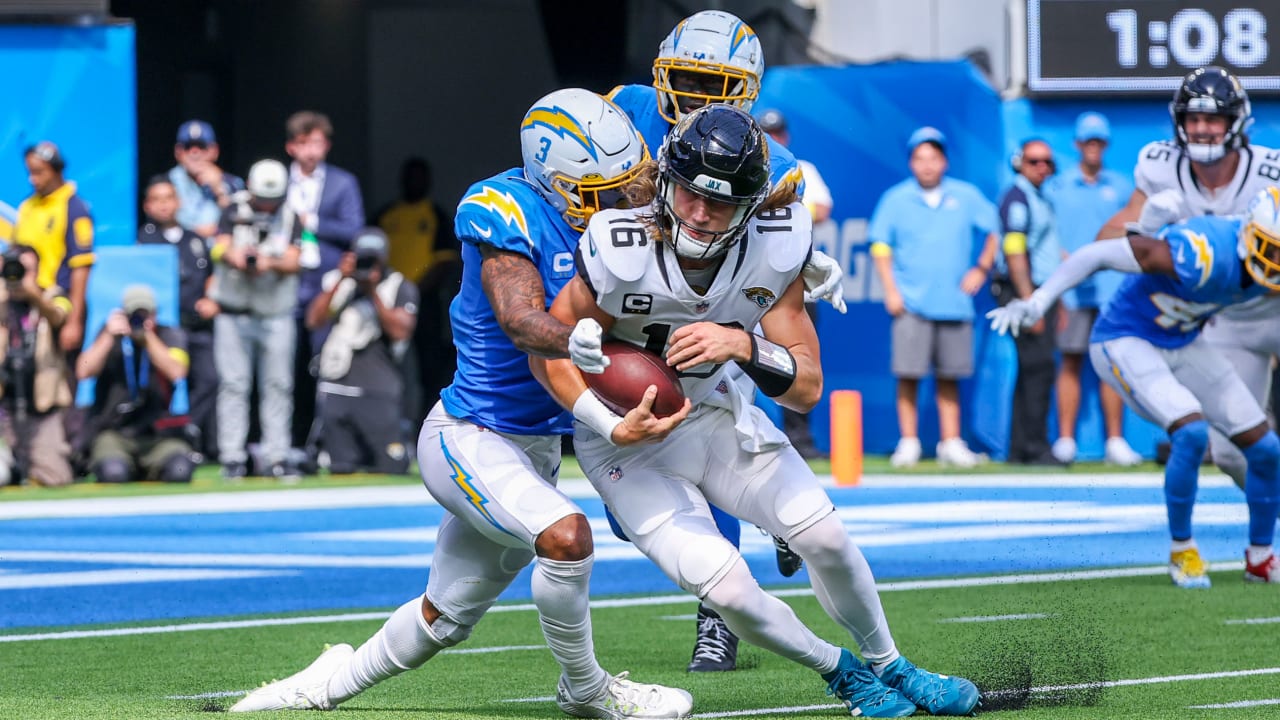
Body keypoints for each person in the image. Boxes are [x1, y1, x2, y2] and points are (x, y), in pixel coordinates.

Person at [230, 89, 692, 718]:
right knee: (565, 537)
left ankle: (320, 687)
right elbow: (521, 320)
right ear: (554, 180)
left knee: (441, 620)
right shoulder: (504, 208)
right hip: (471, 434)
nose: (618, 202)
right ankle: (587, 692)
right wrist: (583, 344)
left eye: (624, 184)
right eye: (600, 191)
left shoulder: (616, 207)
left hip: (534, 448)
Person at [533, 104, 979, 719]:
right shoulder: (618, 244)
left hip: (715, 408)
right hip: (624, 449)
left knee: (825, 537)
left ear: (751, 205)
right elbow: (547, 352)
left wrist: (743, 343)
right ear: (666, 180)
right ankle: (843, 675)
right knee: (730, 588)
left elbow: (807, 388)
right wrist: (607, 420)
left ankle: (890, 664)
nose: (698, 212)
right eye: (689, 193)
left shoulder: (775, 244)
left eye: (720, 202)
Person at [606, 8, 847, 669]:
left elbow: (766, 246)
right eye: (684, 79)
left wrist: (799, 253)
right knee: (628, 516)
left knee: (731, 431)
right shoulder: (624, 110)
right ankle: (771, 518)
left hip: (713, 308)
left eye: (712, 86)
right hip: (636, 308)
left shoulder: (778, 166)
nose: (693, 98)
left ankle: (719, 614)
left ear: (744, 93)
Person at [988, 186, 1280, 586]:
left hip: (1183, 337)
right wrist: (1038, 301)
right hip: (1125, 338)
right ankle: (1183, 550)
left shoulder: (1257, 261)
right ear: (1251, 236)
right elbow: (1097, 255)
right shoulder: (1204, 251)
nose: (1276, 260)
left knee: (1265, 449)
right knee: (1192, 433)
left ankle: (1261, 557)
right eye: (1272, 248)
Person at [1099, 66, 1280, 493]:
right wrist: (1145, 227)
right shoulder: (1161, 170)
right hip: (1230, 322)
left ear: (1236, 123)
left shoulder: (1269, 171)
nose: (1201, 130)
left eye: (1212, 119)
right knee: (1234, 452)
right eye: (1193, 119)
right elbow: (1108, 236)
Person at [870, 127, 998, 469]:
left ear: (944, 162)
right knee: (908, 375)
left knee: (949, 377)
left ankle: (951, 442)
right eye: (920, 158)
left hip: (954, 304)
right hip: (910, 303)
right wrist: (891, 290)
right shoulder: (895, 199)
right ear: (912, 163)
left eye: (933, 158)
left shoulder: (966, 196)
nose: (927, 165)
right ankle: (909, 442)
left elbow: (994, 230)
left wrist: (981, 269)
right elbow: (880, 246)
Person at [1044, 112, 1142, 466]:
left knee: (1112, 364)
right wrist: (1062, 257)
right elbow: (1046, 233)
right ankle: (1066, 440)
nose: (1093, 148)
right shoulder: (1058, 187)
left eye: (1099, 142)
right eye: (1088, 141)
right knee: (1069, 361)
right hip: (1072, 291)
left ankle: (1115, 440)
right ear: (1077, 145)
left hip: (1111, 289)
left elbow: (1134, 231)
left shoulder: (1120, 186)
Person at [210, 159, 301, 480]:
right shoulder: (231, 210)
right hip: (234, 312)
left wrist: (269, 263)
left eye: (271, 200)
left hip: (275, 312)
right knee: (233, 385)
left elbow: (298, 257)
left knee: (278, 385)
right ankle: (232, 457)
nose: (266, 206)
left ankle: (277, 456)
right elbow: (217, 247)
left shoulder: (291, 216)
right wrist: (237, 257)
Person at [283, 110, 366, 456]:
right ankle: (284, 442)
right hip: (284, 281)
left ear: (327, 145)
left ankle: (320, 442)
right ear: (291, 147)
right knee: (282, 367)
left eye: (317, 142)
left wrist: (313, 221)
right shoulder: (277, 181)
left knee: (322, 364)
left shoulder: (342, 182)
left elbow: (355, 229)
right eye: (304, 143)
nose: (311, 151)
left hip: (324, 284)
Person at [305, 228, 417, 474]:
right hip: (338, 385)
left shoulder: (399, 285)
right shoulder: (338, 282)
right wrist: (342, 280)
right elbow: (313, 320)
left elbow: (401, 331)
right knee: (341, 468)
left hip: (378, 388)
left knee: (392, 466)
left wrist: (372, 291)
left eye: (372, 258)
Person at [757, 107, 832, 462]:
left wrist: (776, 203)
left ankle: (798, 438)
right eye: (765, 131)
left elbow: (818, 208)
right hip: (739, 272)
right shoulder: (738, 161)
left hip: (787, 273)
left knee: (794, 358)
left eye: (777, 132)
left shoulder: (800, 167)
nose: (773, 138)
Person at [75, 285, 194, 484]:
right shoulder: (109, 335)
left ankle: (149, 468)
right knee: (114, 473)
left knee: (180, 469)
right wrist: (107, 337)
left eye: (145, 314)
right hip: (115, 432)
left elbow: (177, 372)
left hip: (157, 434)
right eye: (134, 314)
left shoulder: (168, 335)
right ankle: (128, 466)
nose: (140, 320)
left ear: (155, 314)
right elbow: (83, 370)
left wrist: (147, 338)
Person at [137, 175, 219, 460]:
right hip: (166, 329)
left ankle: (186, 430)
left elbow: (211, 277)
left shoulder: (195, 239)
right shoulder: (144, 240)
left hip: (197, 325)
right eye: (156, 200)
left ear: (178, 202)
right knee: (167, 384)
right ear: (147, 205)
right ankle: (166, 440)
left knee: (210, 379)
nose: (163, 206)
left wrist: (212, 299)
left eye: (168, 198)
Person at [995, 138, 1062, 465]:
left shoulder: (1035, 197)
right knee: (1038, 369)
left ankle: (1021, 447)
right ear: (1019, 162)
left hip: (1037, 291)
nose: (1041, 167)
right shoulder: (1019, 198)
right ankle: (1033, 446)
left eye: (1046, 162)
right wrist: (1028, 301)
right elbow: (1015, 251)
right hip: (1027, 291)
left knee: (1033, 369)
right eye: (1034, 161)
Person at [0, 245, 74, 486]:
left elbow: (58, 316)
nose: (19, 276)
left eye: (26, 270)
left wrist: (33, 295)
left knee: (56, 478)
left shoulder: (54, 295)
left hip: (41, 405)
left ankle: (21, 466)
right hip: (5, 404)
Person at [12, 141, 93, 356]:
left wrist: (74, 321)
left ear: (56, 170)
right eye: (29, 172)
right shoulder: (28, 206)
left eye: (39, 172)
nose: (32, 179)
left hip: (58, 300)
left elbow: (81, 267)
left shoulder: (74, 208)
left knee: (57, 377)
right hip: (25, 300)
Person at [167, 120, 244, 239]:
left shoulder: (234, 184)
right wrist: (196, 233)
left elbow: (241, 221)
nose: (195, 152)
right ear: (178, 152)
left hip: (218, 252)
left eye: (202, 146)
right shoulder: (166, 182)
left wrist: (219, 189)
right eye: (188, 147)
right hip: (181, 250)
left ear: (215, 151)